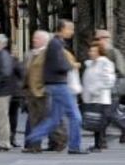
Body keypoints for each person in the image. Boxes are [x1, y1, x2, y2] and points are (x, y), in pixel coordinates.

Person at [25, 20, 88, 155]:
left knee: (54, 119)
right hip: (59, 85)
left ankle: (33, 136)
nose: (72, 31)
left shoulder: (56, 43)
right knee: (75, 116)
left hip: (54, 85)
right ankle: (74, 146)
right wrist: (72, 66)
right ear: (61, 29)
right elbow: (58, 66)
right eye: (69, 29)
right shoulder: (55, 44)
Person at [22, 30, 67, 153]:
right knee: (34, 119)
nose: (34, 40)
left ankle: (60, 141)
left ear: (44, 41)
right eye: (34, 38)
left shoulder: (49, 53)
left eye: (37, 38)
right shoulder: (30, 54)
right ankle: (35, 146)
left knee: (49, 119)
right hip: (31, 92)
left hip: (44, 92)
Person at [82, 41, 115, 152]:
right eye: (90, 50)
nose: (90, 52)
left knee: (101, 122)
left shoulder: (105, 63)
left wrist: (96, 90)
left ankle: (99, 144)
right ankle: (97, 144)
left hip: (101, 98)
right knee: (95, 122)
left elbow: (109, 80)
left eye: (93, 51)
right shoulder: (90, 64)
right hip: (92, 98)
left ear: (99, 52)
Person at [95, 29, 125, 144]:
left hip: (113, 89)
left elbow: (122, 70)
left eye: (98, 39)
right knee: (105, 114)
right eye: (96, 39)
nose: (97, 41)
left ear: (105, 39)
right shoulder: (99, 52)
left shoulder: (113, 52)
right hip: (102, 89)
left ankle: (100, 141)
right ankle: (100, 141)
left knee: (109, 114)